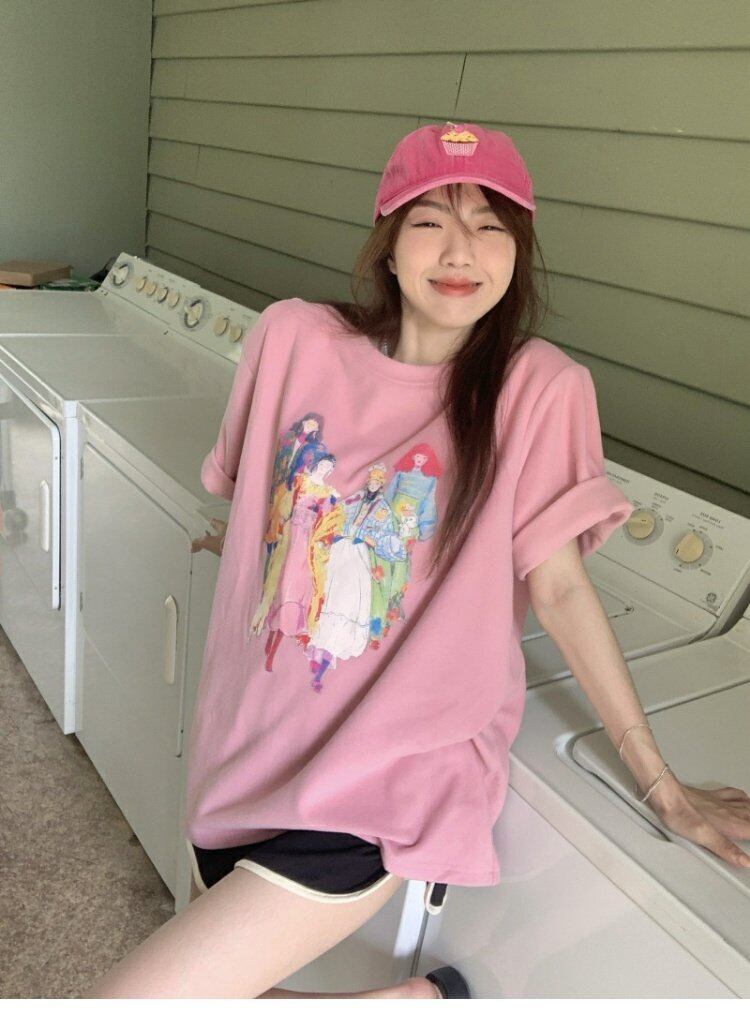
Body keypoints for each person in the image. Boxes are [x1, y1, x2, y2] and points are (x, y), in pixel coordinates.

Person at [82, 121, 750, 1000]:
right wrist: (253, 544)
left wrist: (663, 786)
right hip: (247, 747)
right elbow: (260, 497)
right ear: (388, 244)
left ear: (518, 253)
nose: (461, 250)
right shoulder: (292, 338)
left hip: (385, 780)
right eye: (431, 220)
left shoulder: (539, 389)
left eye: (491, 226)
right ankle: (413, 1001)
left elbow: (559, 587)